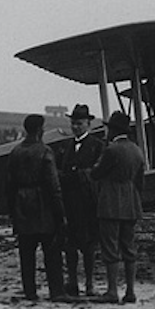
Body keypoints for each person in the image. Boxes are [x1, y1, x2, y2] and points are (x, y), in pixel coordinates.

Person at [5, 114, 67, 301]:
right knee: (52, 250)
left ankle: (29, 291)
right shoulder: (45, 151)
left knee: (26, 252)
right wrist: (60, 212)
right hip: (43, 205)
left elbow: (9, 184)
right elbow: (53, 185)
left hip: (22, 204)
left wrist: (12, 211)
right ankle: (56, 291)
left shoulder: (15, 152)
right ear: (40, 130)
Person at [89, 111, 146, 304]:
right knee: (129, 249)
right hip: (130, 203)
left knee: (110, 248)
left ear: (113, 130)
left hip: (110, 203)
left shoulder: (111, 150)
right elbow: (140, 181)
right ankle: (130, 291)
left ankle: (112, 291)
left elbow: (96, 174)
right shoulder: (137, 151)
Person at [50, 104, 106, 297]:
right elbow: (58, 171)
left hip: (88, 203)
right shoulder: (65, 147)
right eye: (73, 123)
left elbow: (97, 173)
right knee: (70, 245)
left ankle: (90, 283)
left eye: (79, 123)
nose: (76, 127)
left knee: (89, 245)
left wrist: (75, 175)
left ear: (89, 124)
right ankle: (72, 282)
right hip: (70, 203)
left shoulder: (98, 146)